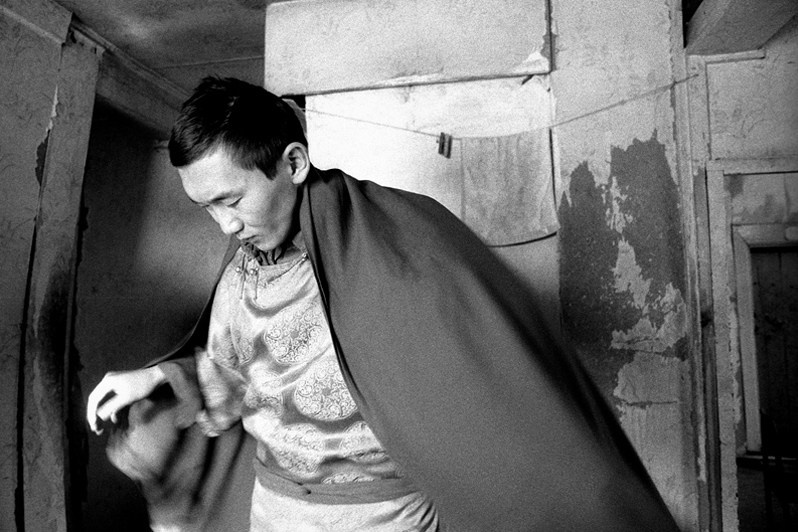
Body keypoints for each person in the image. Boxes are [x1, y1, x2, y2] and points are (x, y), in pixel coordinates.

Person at [86, 77, 681, 532]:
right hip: (273, 510)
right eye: (206, 208)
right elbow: (232, 376)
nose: (224, 225)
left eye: (231, 199)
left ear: (292, 164)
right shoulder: (243, 264)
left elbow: (491, 400)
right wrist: (160, 377)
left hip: (381, 518)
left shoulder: (404, 242)